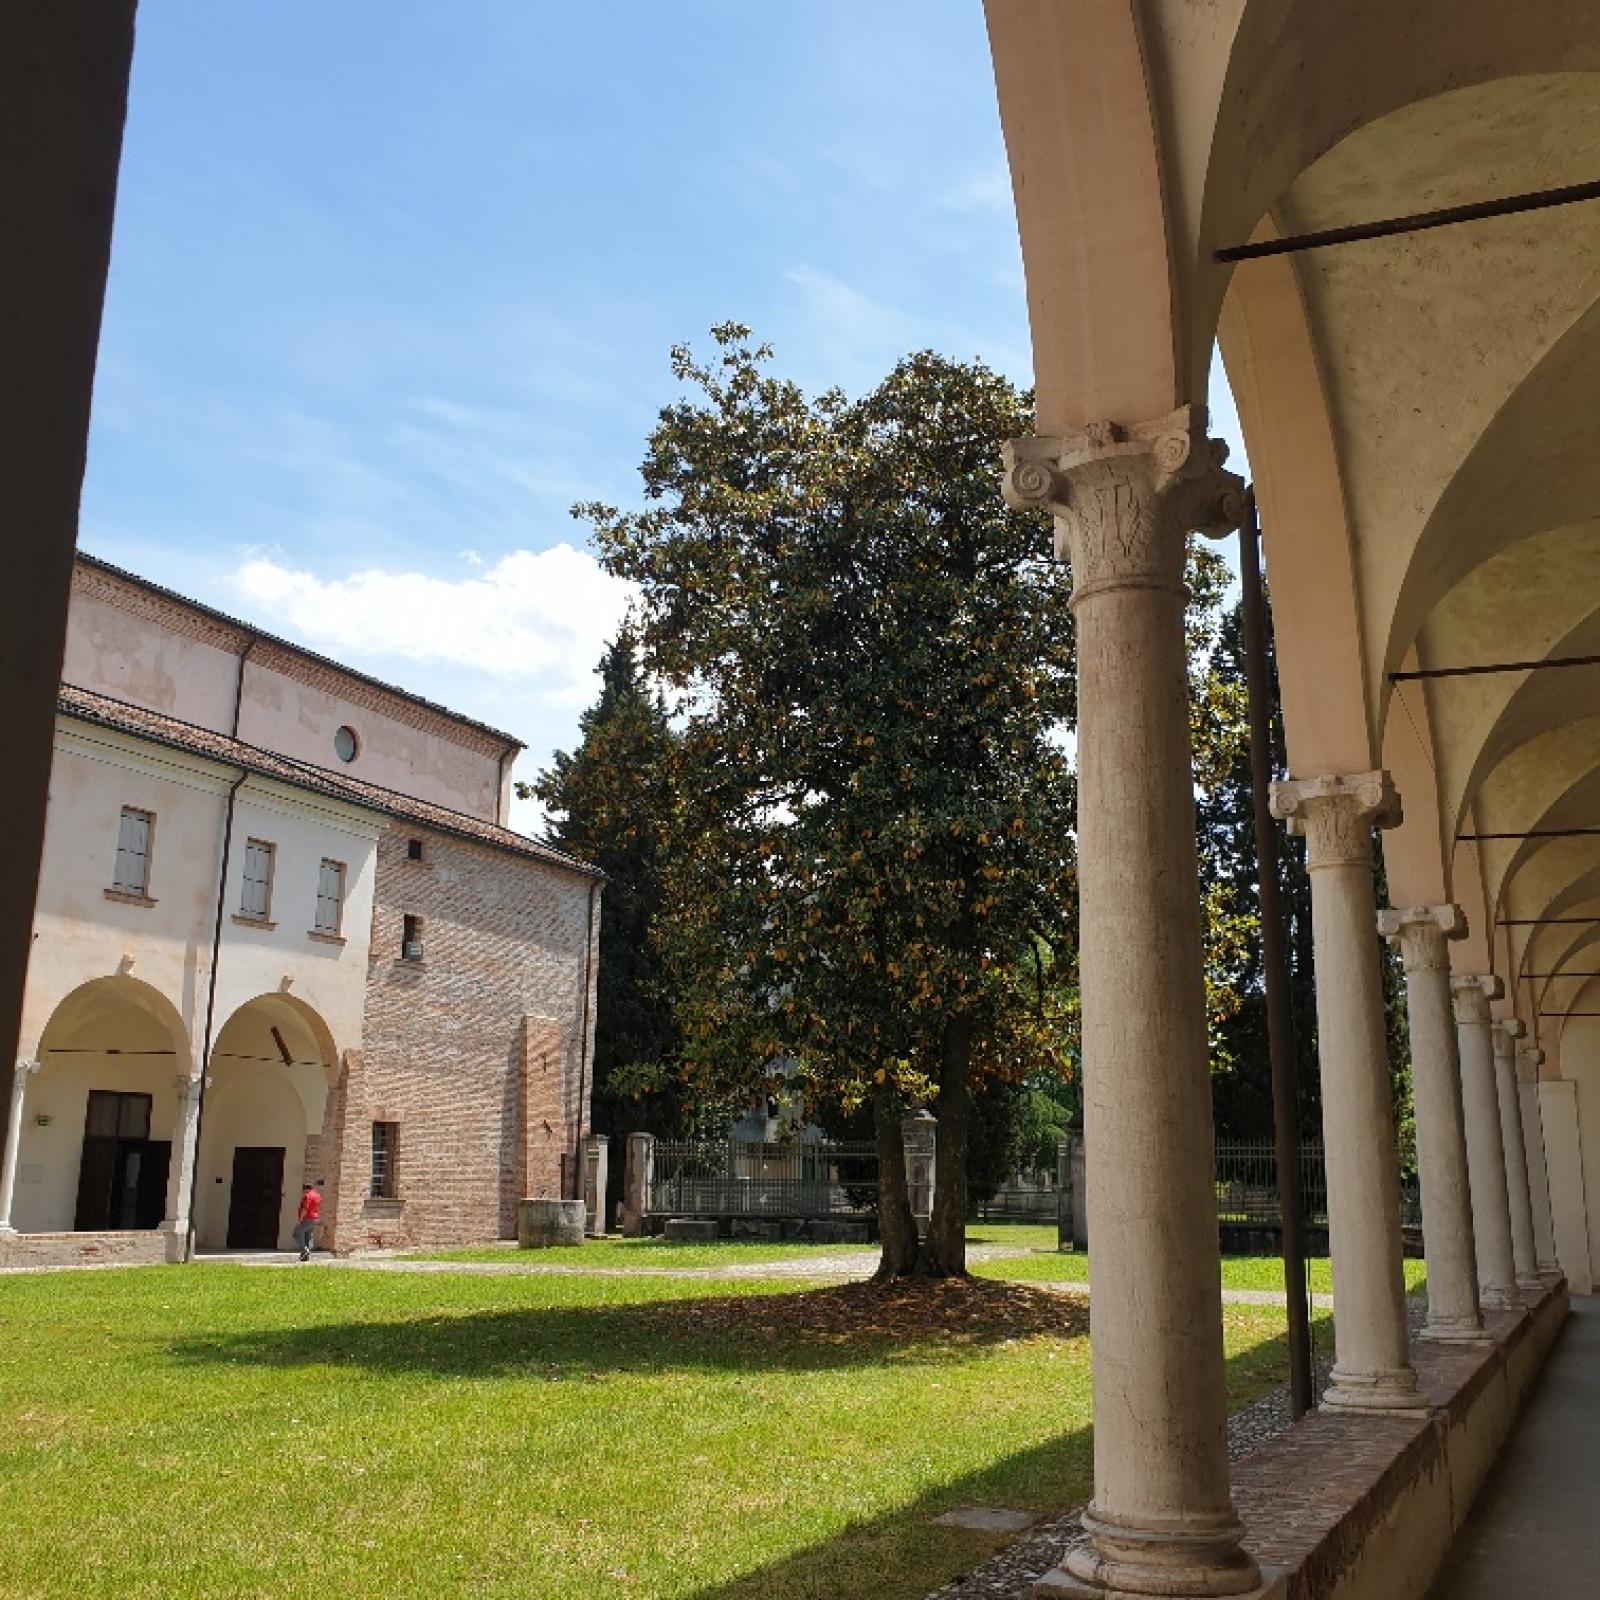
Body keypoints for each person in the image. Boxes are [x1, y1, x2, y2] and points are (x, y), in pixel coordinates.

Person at [293, 1182, 322, 1262]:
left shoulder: (307, 1196)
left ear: (306, 1189)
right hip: (315, 1218)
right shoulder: (317, 1196)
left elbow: (305, 1209)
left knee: (296, 1234)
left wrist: (300, 1220)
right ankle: (305, 1257)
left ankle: (305, 1250)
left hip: (307, 1218)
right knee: (308, 1237)